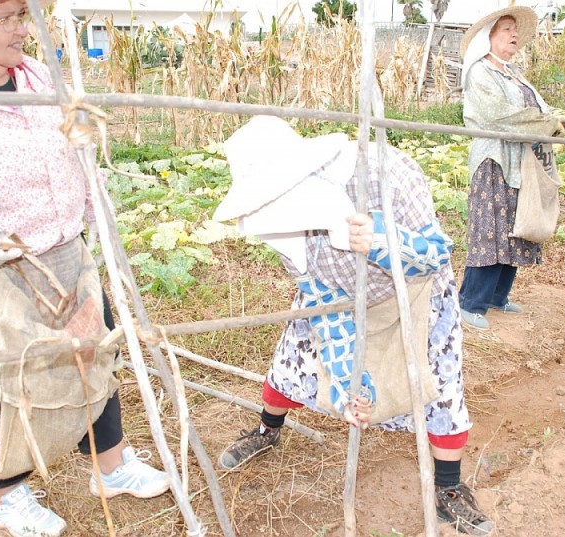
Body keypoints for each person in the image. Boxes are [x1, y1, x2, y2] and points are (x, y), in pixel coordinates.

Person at [0, 2, 170, 536]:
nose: (22, 27)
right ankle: (5, 495)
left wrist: (85, 155)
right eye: (7, 16)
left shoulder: (37, 74)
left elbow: (69, 149)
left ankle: (112, 466)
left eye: (23, 13)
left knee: (92, 355)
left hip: (61, 253)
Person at [212, 116, 494, 535]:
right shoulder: (281, 226)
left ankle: (449, 489)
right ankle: (265, 430)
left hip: (414, 290)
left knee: (437, 382)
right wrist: (350, 382)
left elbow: (435, 253)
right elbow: (325, 308)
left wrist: (384, 240)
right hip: (341, 295)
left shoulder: (389, 174)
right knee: (293, 361)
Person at [457, 6, 565, 330]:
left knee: (517, 227)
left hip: (520, 162)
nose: (513, 35)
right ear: (489, 38)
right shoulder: (480, 73)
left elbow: (535, 108)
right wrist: (546, 122)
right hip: (495, 161)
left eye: (514, 30)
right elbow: (499, 115)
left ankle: (498, 296)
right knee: (491, 231)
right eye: (506, 29)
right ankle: (470, 303)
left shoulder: (513, 73)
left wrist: (555, 115)